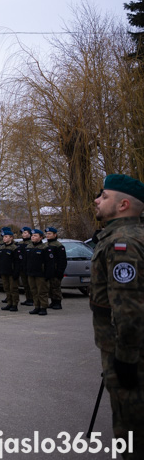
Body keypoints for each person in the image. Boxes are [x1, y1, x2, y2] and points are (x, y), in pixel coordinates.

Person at [90, 174, 144, 455]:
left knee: (130, 425)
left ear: (123, 205)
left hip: (128, 353)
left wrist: (125, 358)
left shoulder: (123, 243)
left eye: (104, 196)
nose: (97, 200)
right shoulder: (125, 236)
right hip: (126, 348)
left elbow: (129, 308)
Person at [24, 229, 51, 315]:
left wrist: (48, 274)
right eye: (32, 235)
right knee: (34, 291)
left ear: (41, 237)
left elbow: (49, 263)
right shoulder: (28, 247)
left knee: (42, 291)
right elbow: (25, 261)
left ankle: (43, 307)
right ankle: (37, 306)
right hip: (31, 273)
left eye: (35, 235)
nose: (33, 237)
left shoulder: (45, 248)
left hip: (41, 274)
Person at [0, 228, 19, 312]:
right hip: (4, 271)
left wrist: (16, 272)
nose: (4, 238)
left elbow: (17, 262)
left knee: (13, 289)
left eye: (6, 236)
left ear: (11, 237)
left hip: (11, 272)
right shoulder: (1, 247)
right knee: (7, 289)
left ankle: (14, 304)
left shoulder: (14, 248)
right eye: (3, 237)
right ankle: (9, 303)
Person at [45, 227, 67, 310]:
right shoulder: (46, 245)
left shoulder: (59, 246)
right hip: (49, 270)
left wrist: (60, 271)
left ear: (55, 235)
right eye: (47, 234)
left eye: (49, 234)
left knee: (56, 287)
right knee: (50, 287)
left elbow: (62, 260)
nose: (47, 235)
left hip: (56, 270)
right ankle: (53, 302)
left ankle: (58, 302)